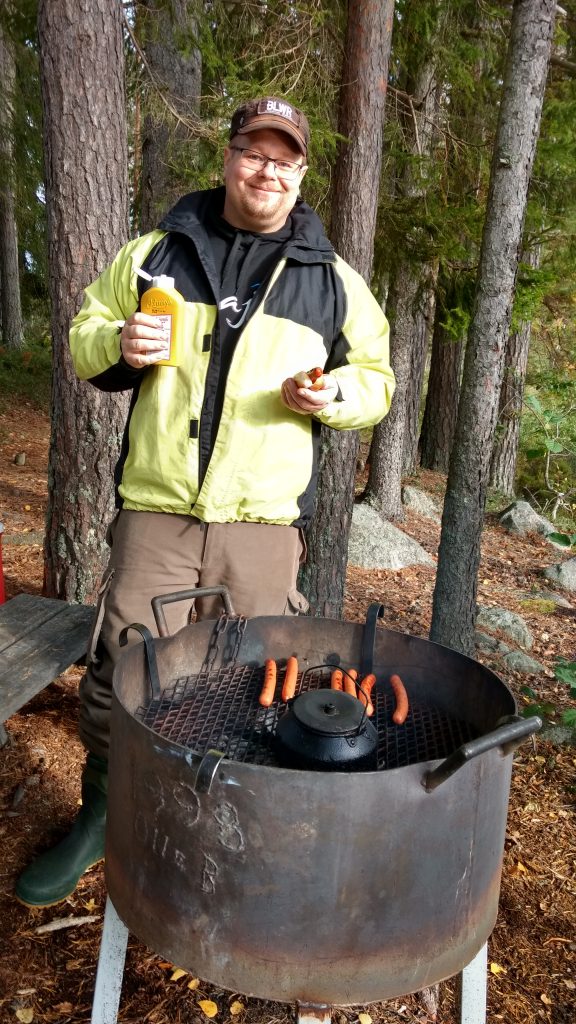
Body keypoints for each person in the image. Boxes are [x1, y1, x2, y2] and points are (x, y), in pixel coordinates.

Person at [15, 96, 395, 907]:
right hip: (158, 510)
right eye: (254, 154)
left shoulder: (331, 281)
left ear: (300, 174)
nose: (268, 171)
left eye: (284, 160)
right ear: (228, 159)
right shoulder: (159, 251)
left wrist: (332, 393)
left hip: (261, 521)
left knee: (257, 677)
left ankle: (235, 829)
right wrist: (116, 344)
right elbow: (85, 329)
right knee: (127, 668)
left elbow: (379, 383)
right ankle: (103, 820)